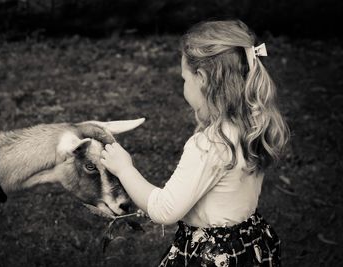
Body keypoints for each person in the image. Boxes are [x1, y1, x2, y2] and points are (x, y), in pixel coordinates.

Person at [100, 19, 289, 267]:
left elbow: (164, 210)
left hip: (212, 254)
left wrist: (124, 169)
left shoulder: (210, 143)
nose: (184, 86)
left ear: (201, 78)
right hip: (247, 242)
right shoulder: (254, 124)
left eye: (184, 79)